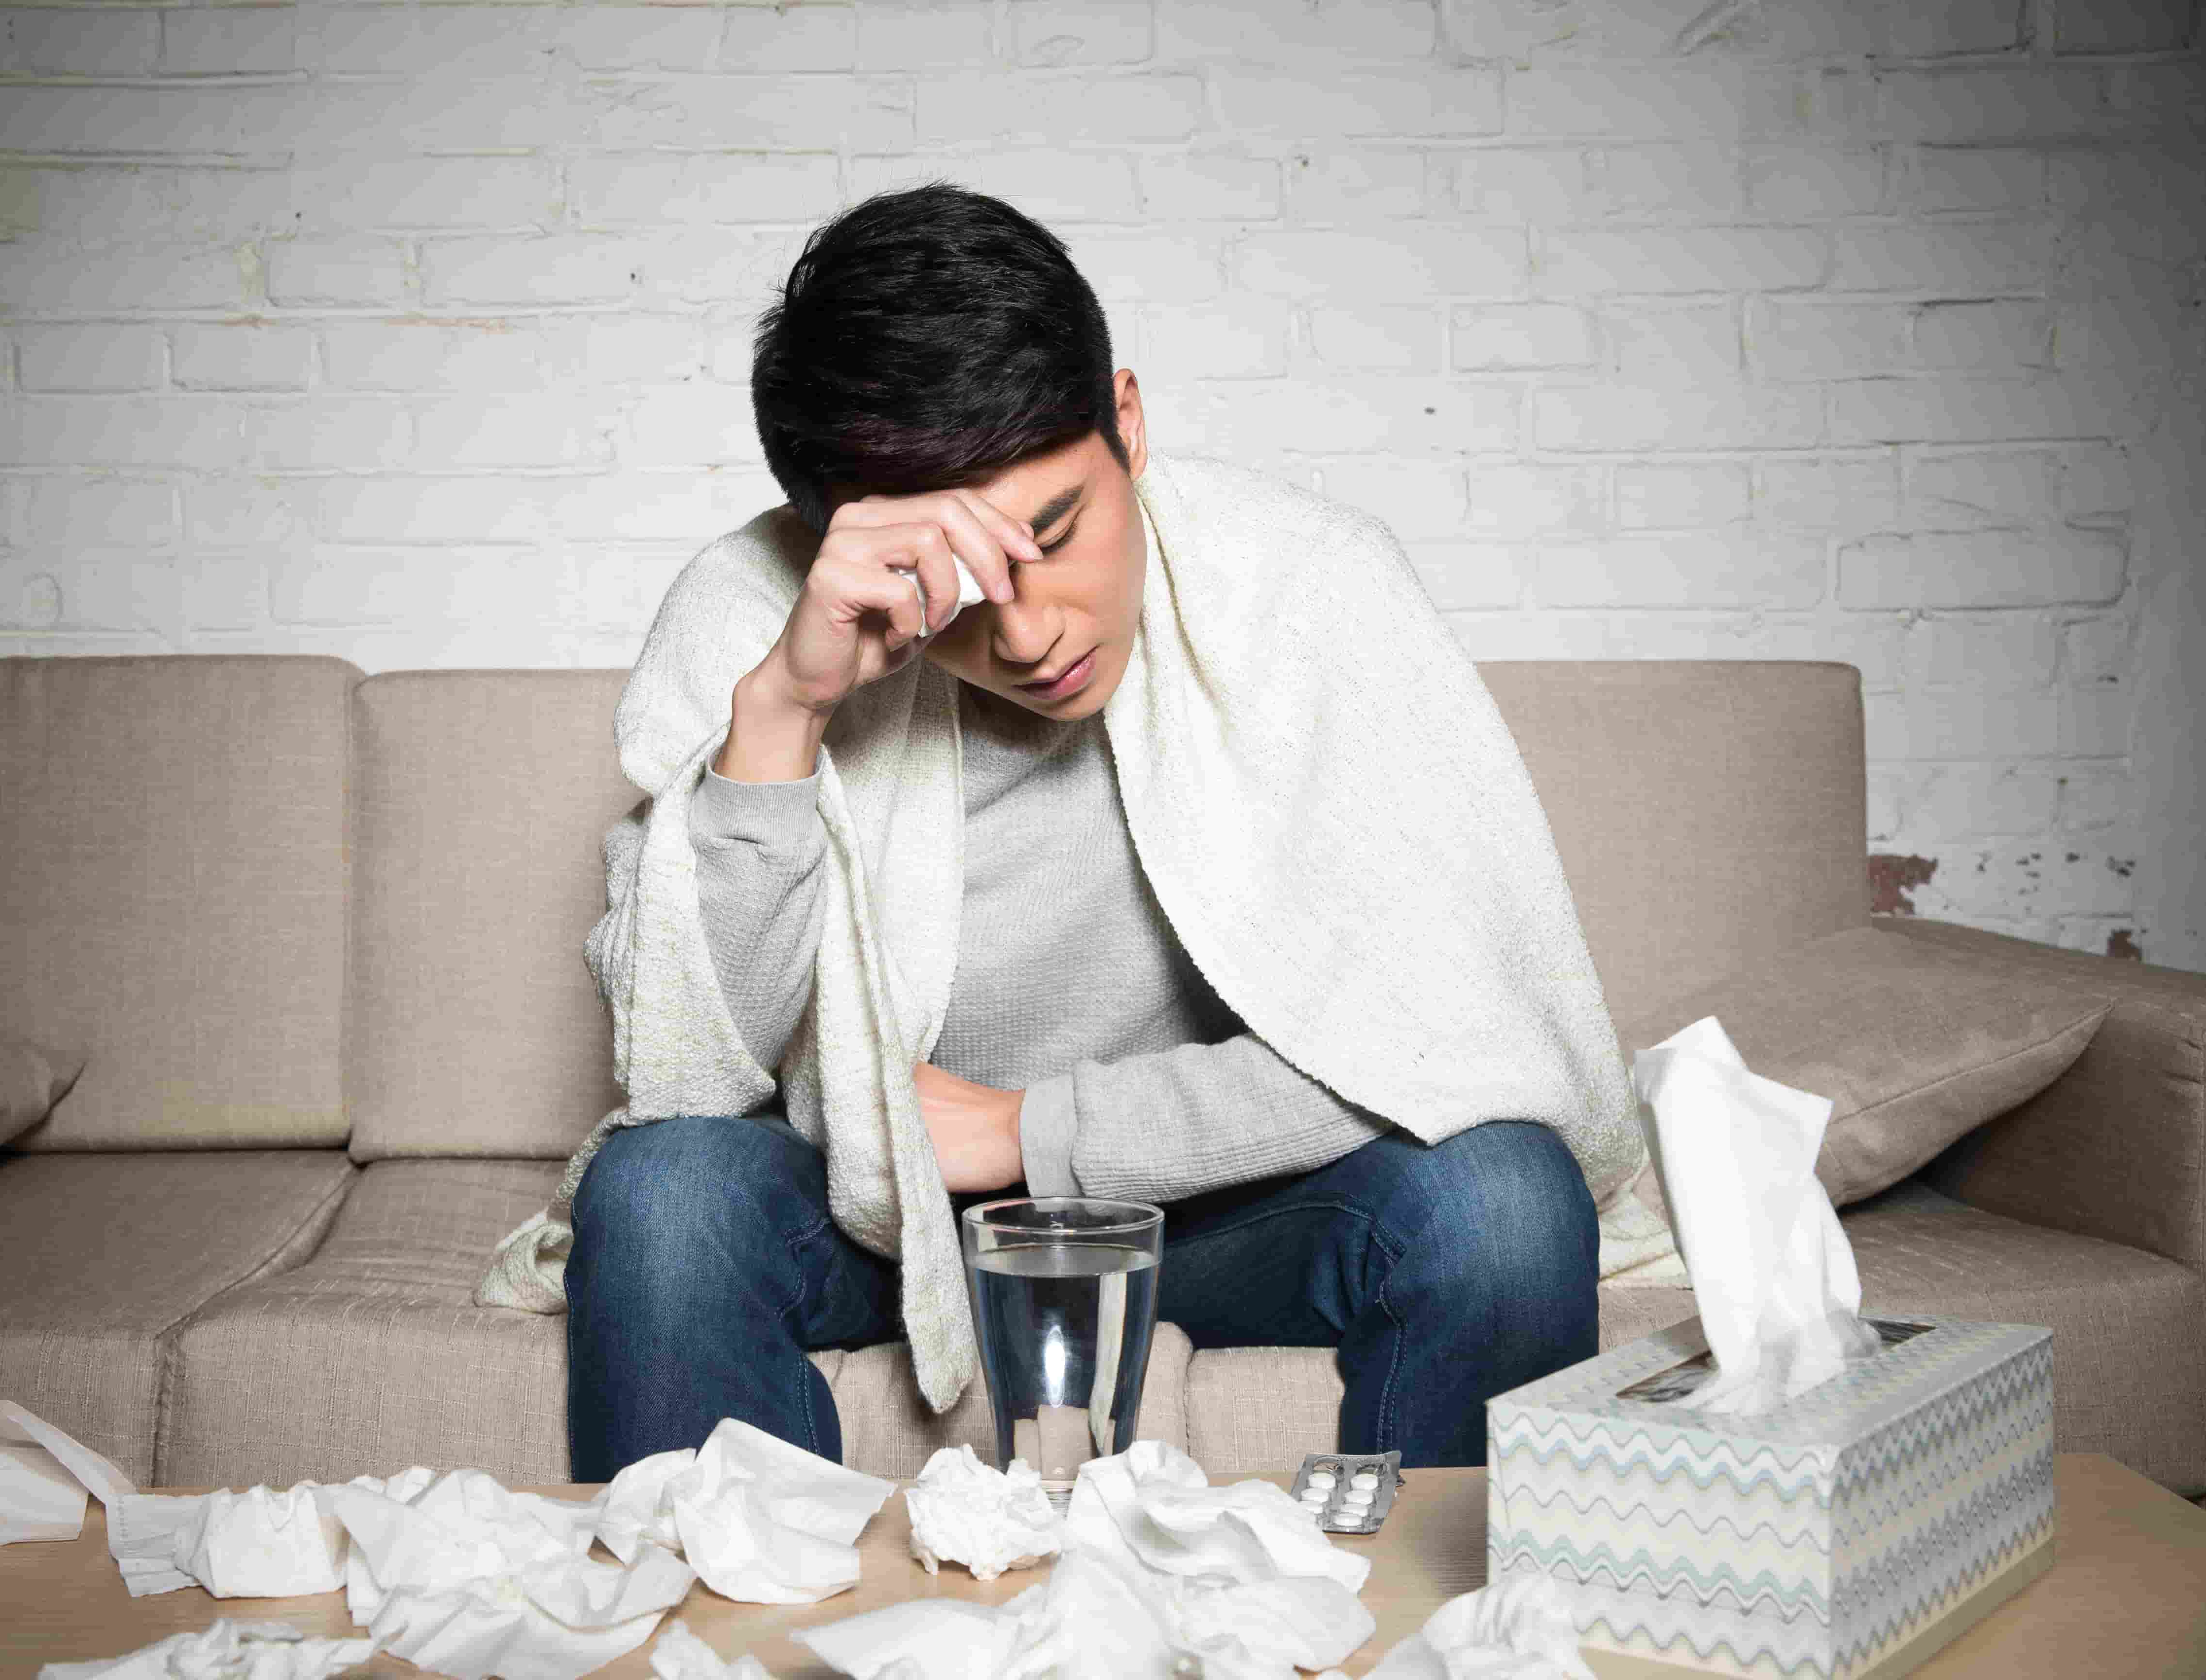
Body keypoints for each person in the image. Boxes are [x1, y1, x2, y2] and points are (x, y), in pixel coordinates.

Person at [560, 183, 1606, 1483]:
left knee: (1507, 1199)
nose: (1030, 631)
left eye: (1054, 534)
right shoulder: (747, 618)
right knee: (661, 1194)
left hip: (1226, 1209)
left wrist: (1026, 1132)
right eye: (953, 585)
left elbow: (1446, 1033)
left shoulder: (1307, 583)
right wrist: (784, 711)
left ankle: (1458, 1608)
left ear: (1129, 420)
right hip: (887, 1218)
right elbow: (683, 1079)